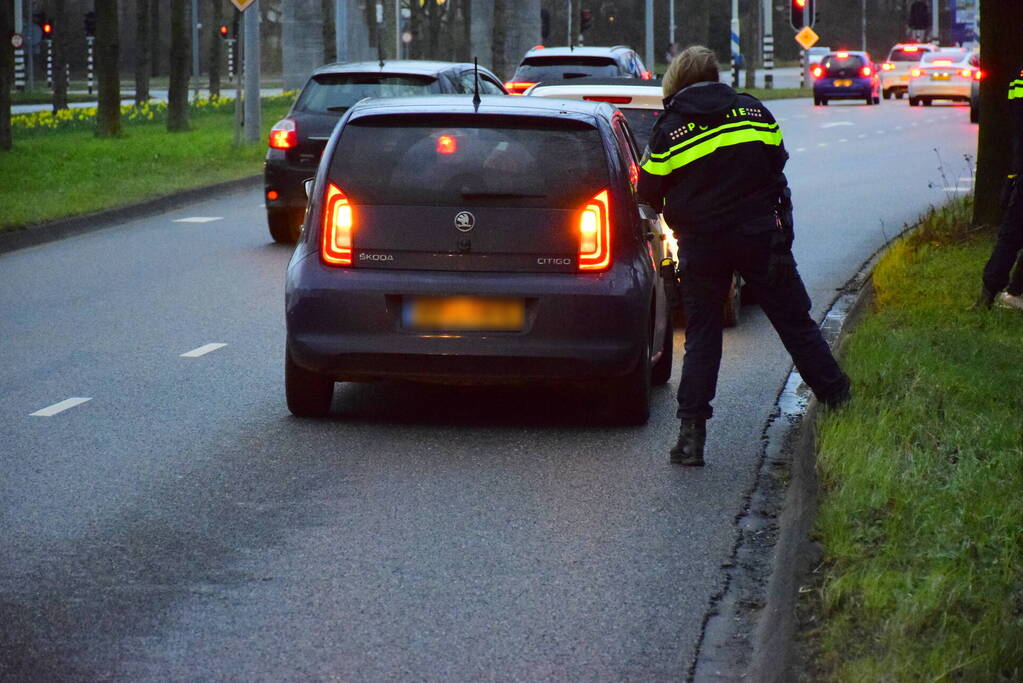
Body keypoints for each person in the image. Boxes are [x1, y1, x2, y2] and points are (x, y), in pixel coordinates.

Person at [637, 46, 850, 466]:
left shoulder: (670, 128)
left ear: (677, 80)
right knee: (794, 322)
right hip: (759, 237)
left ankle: (691, 439)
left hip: (702, 244)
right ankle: (840, 401)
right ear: (717, 75)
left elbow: (648, 192)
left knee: (703, 337)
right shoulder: (755, 112)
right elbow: (778, 161)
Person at [975, 66, 1023, 311]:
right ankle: (1009, 292)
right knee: (1011, 235)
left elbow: (1015, 119)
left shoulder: (1018, 82)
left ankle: (991, 295)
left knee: (1011, 236)